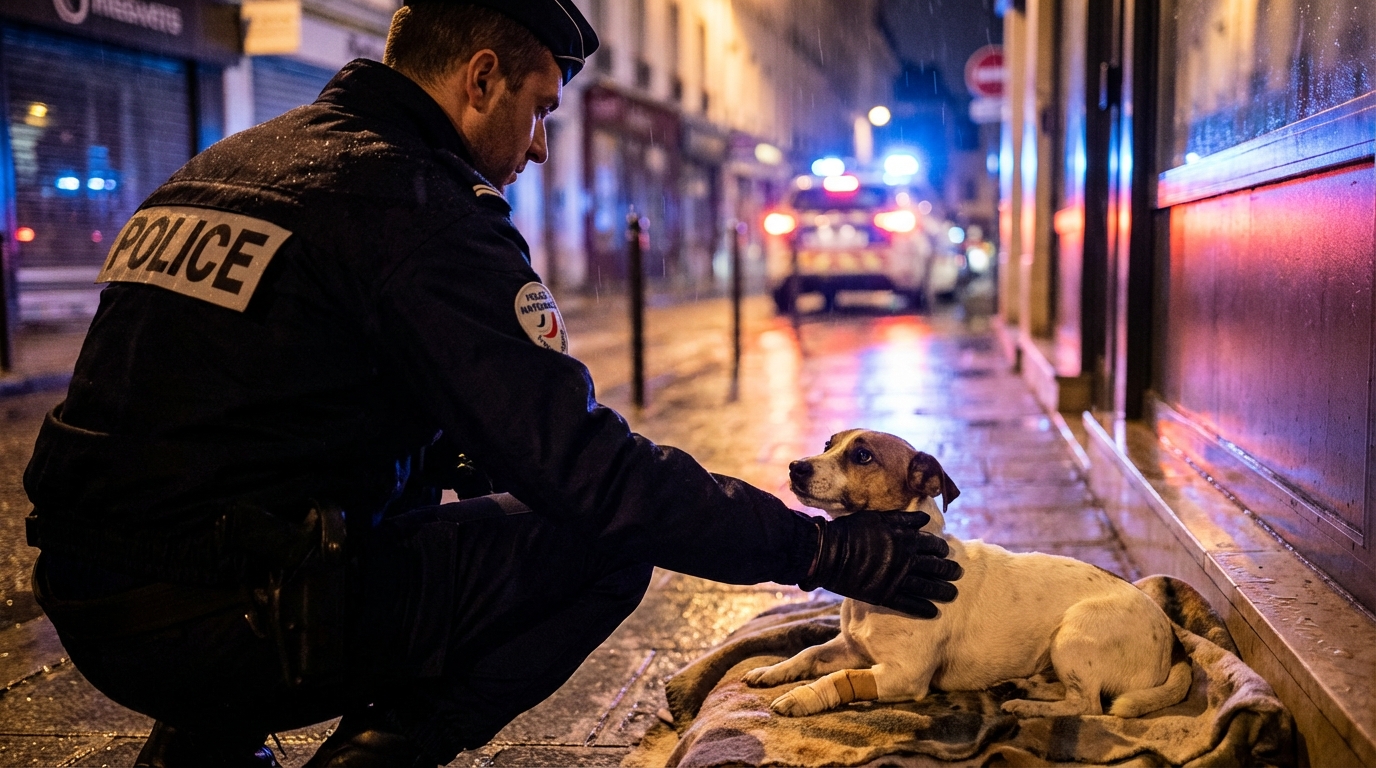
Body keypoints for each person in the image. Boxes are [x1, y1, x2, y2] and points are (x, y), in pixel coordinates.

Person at [22, 1, 963, 766]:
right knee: (598, 547)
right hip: (234, 619)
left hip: (90, 600)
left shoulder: (228, 164)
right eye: (541, 106)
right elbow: (595, 474)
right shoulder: (421, 210)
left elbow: (276, 406)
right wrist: (821, 555)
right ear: (480, 78)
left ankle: (203, 746)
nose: (542, 143)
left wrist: (474, 450)